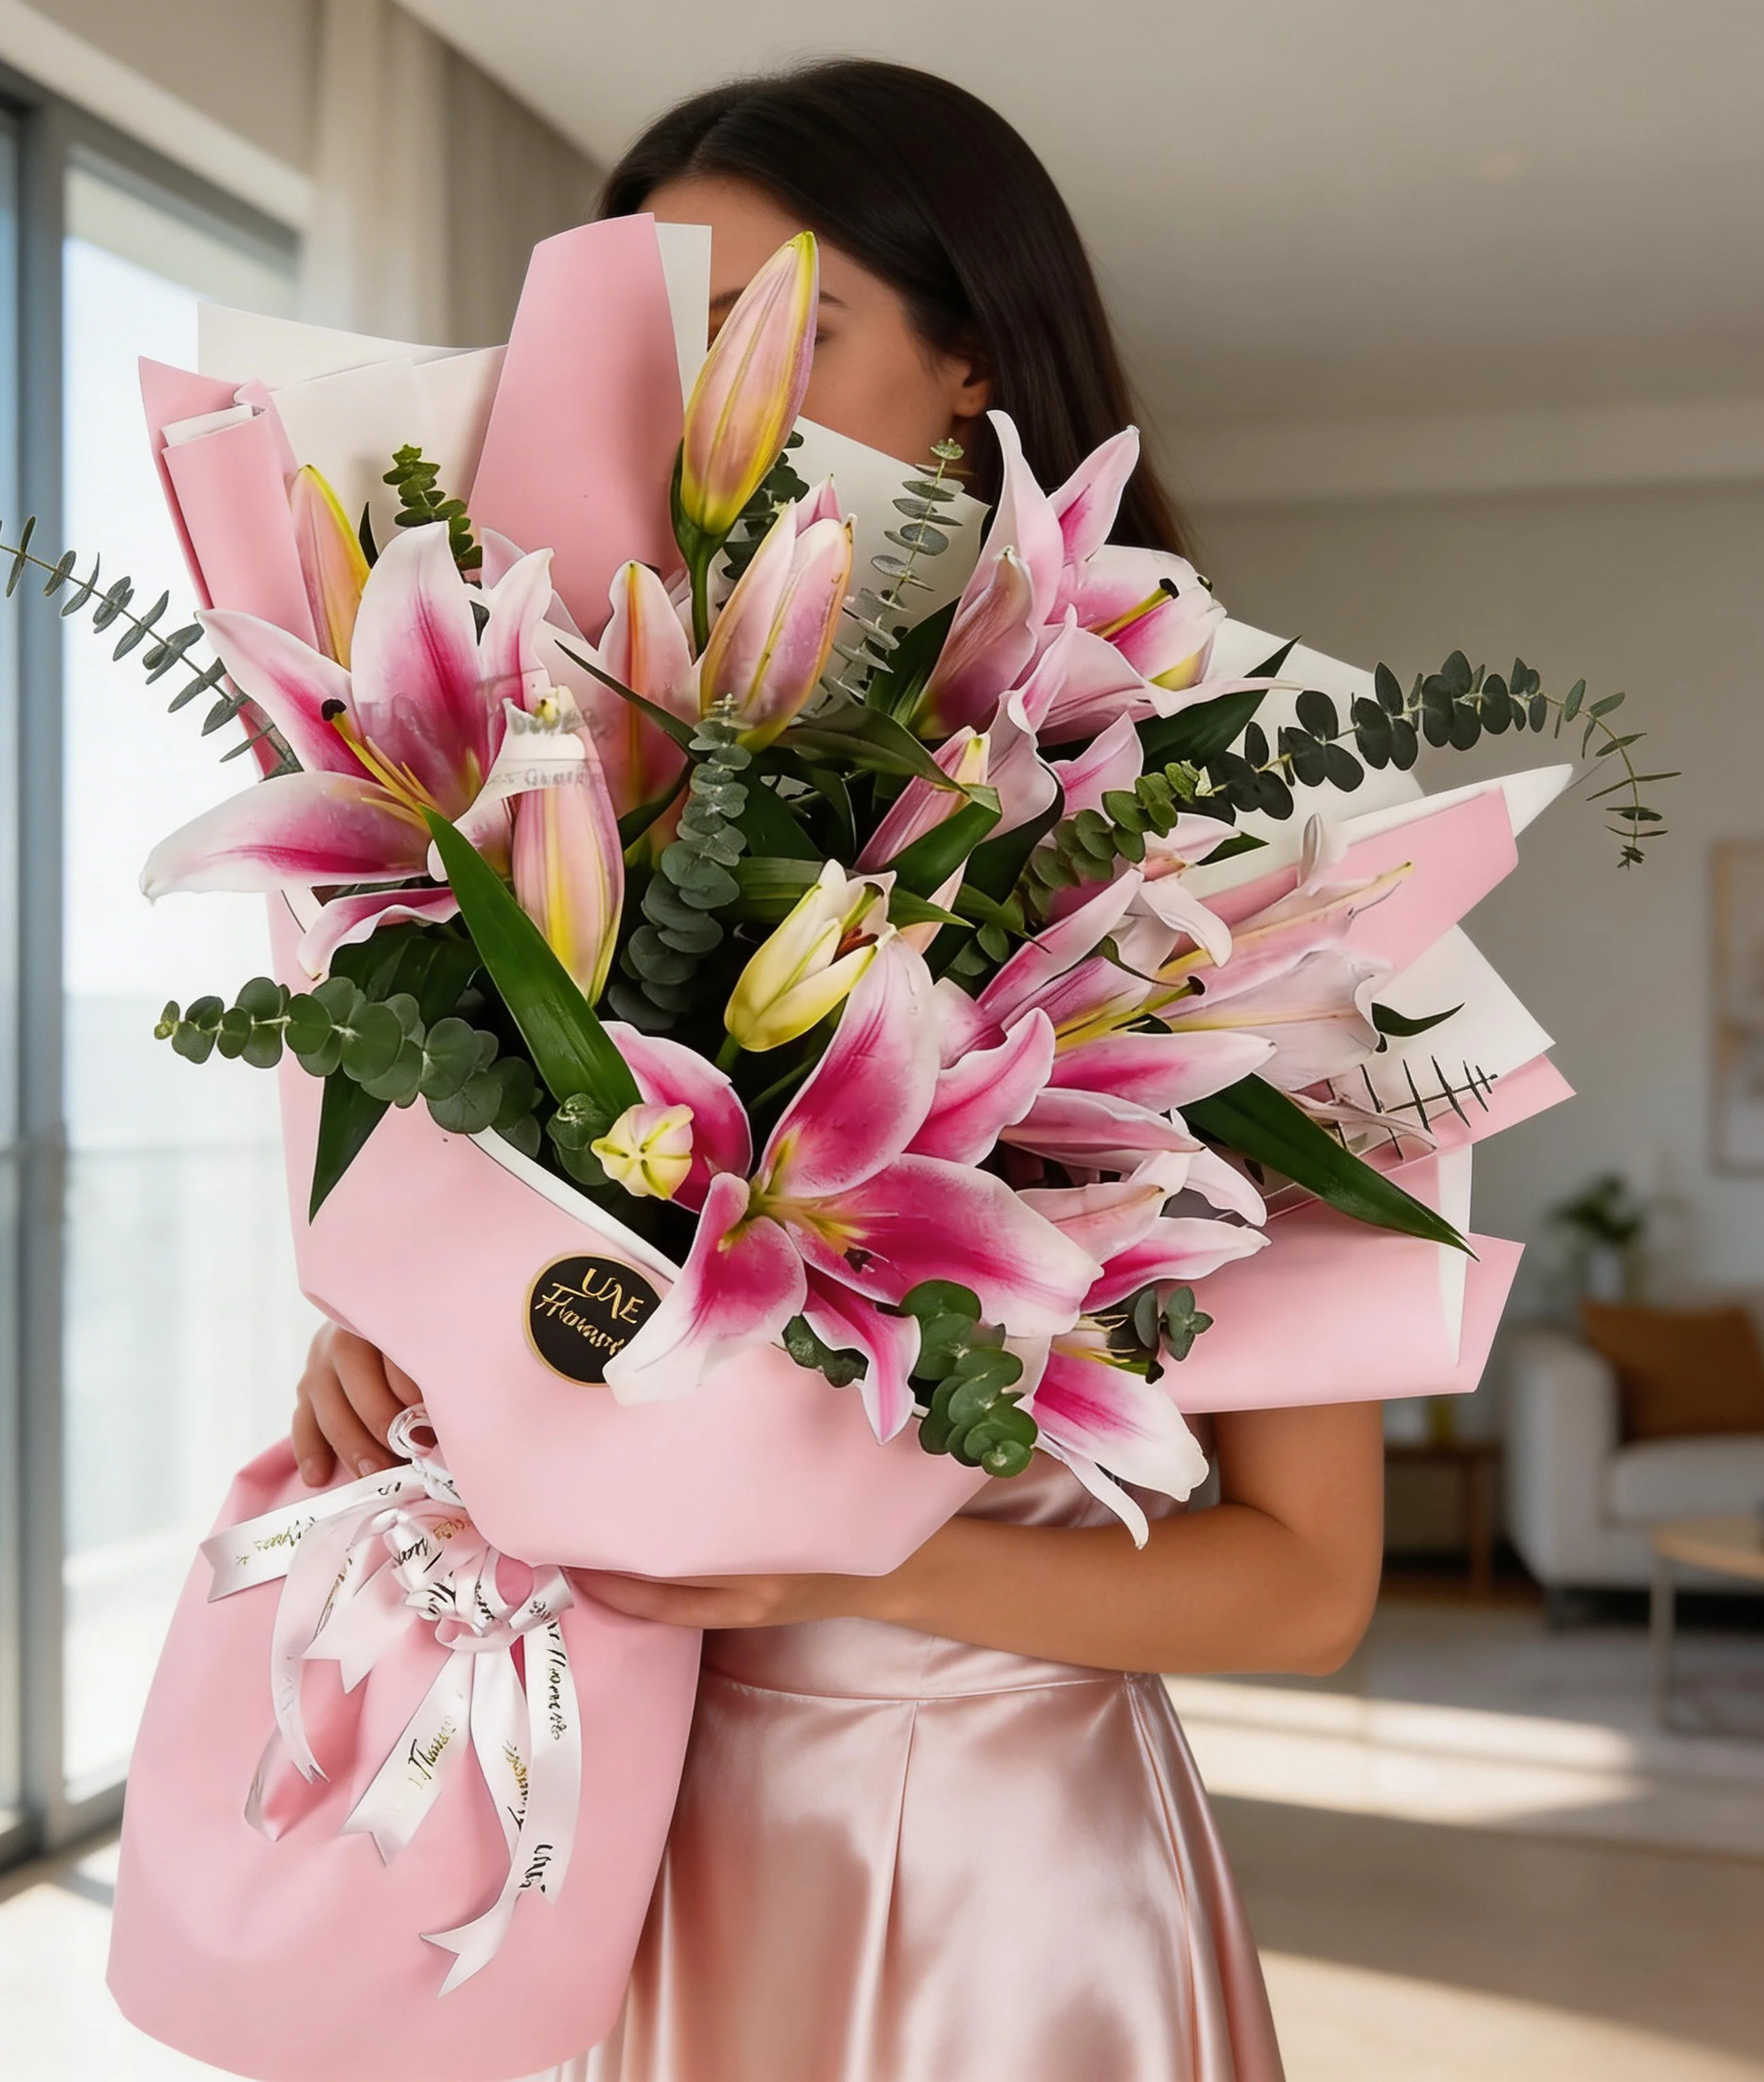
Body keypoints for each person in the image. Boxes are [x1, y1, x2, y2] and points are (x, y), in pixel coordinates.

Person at [292, 59, 1380, 2082]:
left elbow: (1307, 1587)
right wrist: (401, 1371)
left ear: (972, 359)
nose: (696, 396)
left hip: (992, 1885)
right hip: (618, 1834)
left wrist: (858, 1557)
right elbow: (557, 1318)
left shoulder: (1200, 863)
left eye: (776, 328)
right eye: (644, 341)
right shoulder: (565, 806)